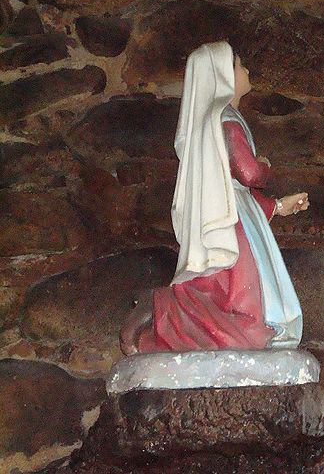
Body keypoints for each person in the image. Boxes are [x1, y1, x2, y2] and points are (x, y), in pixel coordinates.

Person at [120, 41, 308, 354]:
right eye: (239, 65)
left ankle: (171, 323)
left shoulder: (218, 121)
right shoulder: (227, 121)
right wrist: (264, 166)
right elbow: (248, 174)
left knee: (227, 290)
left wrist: (277, 206)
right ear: (223, 76)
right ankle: (160, 306)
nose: (246, 70)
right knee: (241, 292)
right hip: (230, 222)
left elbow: (236, 189)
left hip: (235, 214)